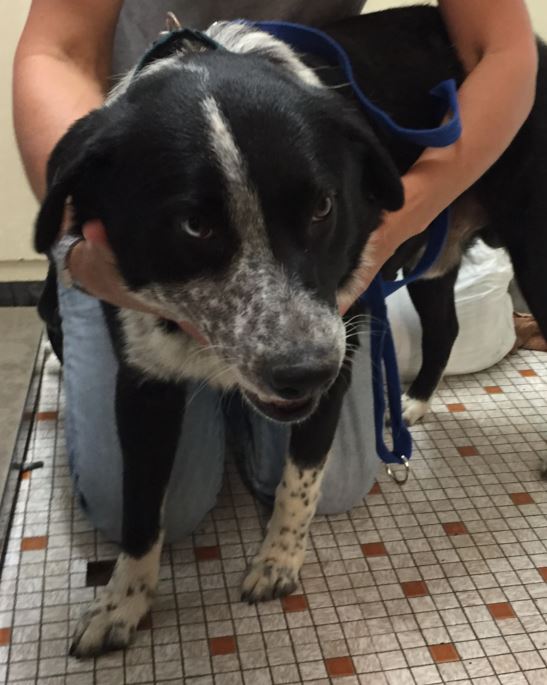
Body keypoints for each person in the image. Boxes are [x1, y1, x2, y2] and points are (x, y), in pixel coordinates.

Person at [13, 0, 537, 541]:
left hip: (297, 120)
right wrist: (77, 246)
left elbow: (501, 48)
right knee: (157, 507)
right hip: (144, 164)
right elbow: (58, 51)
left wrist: (397, 226)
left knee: (336, 487)